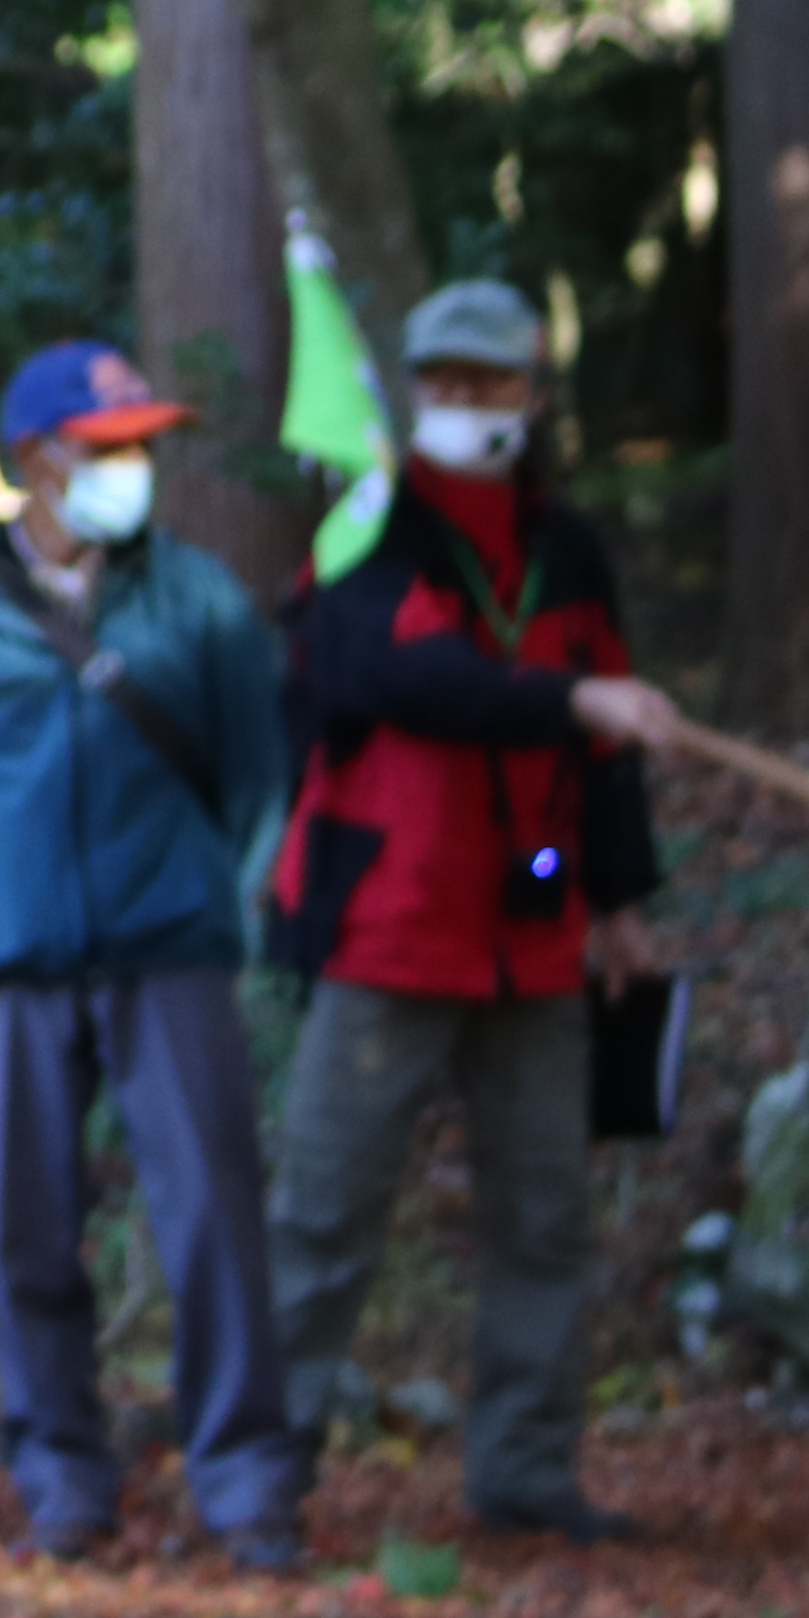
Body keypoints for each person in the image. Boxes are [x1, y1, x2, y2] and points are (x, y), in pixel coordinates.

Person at [262, 278, 689, 1547]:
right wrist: (573, 705)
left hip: (538, 925)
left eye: (491, 381)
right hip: (389, 917)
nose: (464, 401)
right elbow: (407, 674)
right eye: (443, 380)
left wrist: (616, 901)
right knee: (327, 1207)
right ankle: (263, 1467)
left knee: (546, 1213)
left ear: (535, 395)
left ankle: (526, 1468)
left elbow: (610, 737)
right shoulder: (366, 529)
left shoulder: (573, 549)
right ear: (410, 387)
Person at [0, 340, 303, 1573]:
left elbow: (253, 771)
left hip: (168, 947)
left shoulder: (201, 601)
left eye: (142, 447)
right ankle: (62, 1472)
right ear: (34, 460)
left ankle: (245, 1480)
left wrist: (218, 898)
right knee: (25, 1226)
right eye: (106, 447)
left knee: (213, 1216)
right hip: (4, 958)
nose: (132, 469)